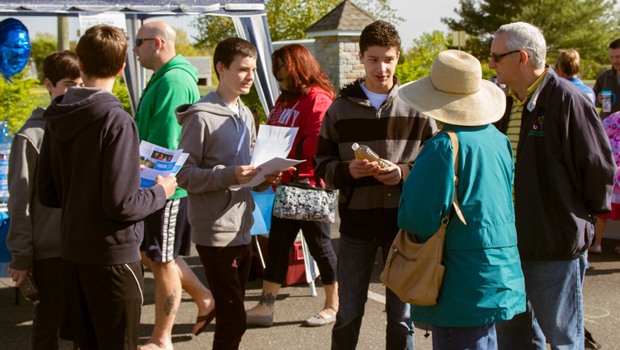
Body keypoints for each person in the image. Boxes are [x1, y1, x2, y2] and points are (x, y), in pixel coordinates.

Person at [36, 24, 177, 350]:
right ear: (122, 67)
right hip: (112, 257)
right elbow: (121, 204)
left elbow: (48, 193)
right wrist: (160, 191)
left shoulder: (56, 114)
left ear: (80, 65)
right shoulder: (115, 119)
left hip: (73, 253)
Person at [489, 22, 615, 349]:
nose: (490, 64)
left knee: (562, 341)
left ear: (522, 58)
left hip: (552, 248)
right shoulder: (503, 103)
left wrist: (575, 224)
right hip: (508, 246)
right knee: (513, 340)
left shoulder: (567, 100)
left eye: (496, 57)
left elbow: (598, 169)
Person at [315, 20, 437, 350]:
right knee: (349, 313)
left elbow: (435, 168)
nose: (381, 68)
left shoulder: (418, 108)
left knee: (401, 317)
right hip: (355, 228)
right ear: (361, 58)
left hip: (404, 228)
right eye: (373, 59)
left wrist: (404, 173)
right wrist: (347, 170)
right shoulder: (338, 110)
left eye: (388, 59)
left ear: (399, 58)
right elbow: (321, 166)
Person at [397, 49, 526, 350]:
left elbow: (416, 218)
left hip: (458, 278)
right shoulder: (499, 139)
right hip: (497, 268)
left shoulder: (443, 145)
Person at [175, 37, 290, 350]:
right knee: (234, 319)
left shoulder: (245, 114)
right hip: (214, 231)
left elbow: (249, 171)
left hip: (243, 228)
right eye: (242, 69)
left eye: (253, 69)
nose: (250, 76)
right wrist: (229, 175)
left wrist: (267, 176)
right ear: (221, 69)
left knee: (232, 319)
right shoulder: (200, 116)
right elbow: (183, 174)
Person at [132, 21, 215, 349]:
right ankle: (206, 299)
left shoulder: (174, 80)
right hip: (157, 188)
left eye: (138, 43)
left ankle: (161, 338)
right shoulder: (167, 77)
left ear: (156, 43)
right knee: (155, 254)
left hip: (164, 188)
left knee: (162, 260)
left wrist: (148, 189)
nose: (134, 50)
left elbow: (166, 145)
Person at [245, 43, 339, 327]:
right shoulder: (283, 99)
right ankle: (265, 306)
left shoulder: (318, 98)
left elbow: (316, 141)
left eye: (281, 68)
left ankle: (333, 306)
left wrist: (280, 153)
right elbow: (274, 134)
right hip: (285, 186)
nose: (277, 74)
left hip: (310, 185)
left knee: (320, 246)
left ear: (298, 66)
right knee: (277, 247)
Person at [6, 50, 82, 350]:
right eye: (67, 84)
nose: (73, 91)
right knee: (49, 318)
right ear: (49, 84)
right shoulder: (30, 136)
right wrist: (21, 254)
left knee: (80, 320)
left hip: (82, 244)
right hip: (49, 249)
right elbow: (19, 200)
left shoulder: (83, 127)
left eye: (79, 82)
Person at [591, 110, 620, 255]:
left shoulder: (614, 119)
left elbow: (600, 132)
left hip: (611, 178)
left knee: (603, 214)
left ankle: (597, 243)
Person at [593, 38, 620, 119]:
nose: (614, 61)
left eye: (618, 57)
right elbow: (592, 100)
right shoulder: (604, 77)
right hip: (610, 127)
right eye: (611, 57)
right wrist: (599, 100)